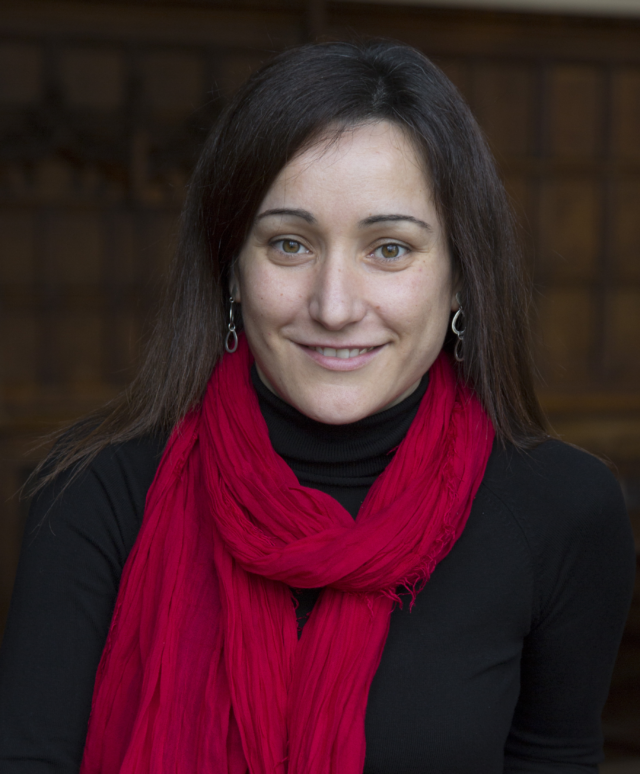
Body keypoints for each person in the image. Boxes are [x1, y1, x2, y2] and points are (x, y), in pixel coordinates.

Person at [0, 40, 635, 774]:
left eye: (389, 249)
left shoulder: (562, 511)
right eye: (290, 244)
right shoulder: (89, 493)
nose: (334, 306)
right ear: (231, 269)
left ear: (462, 279)